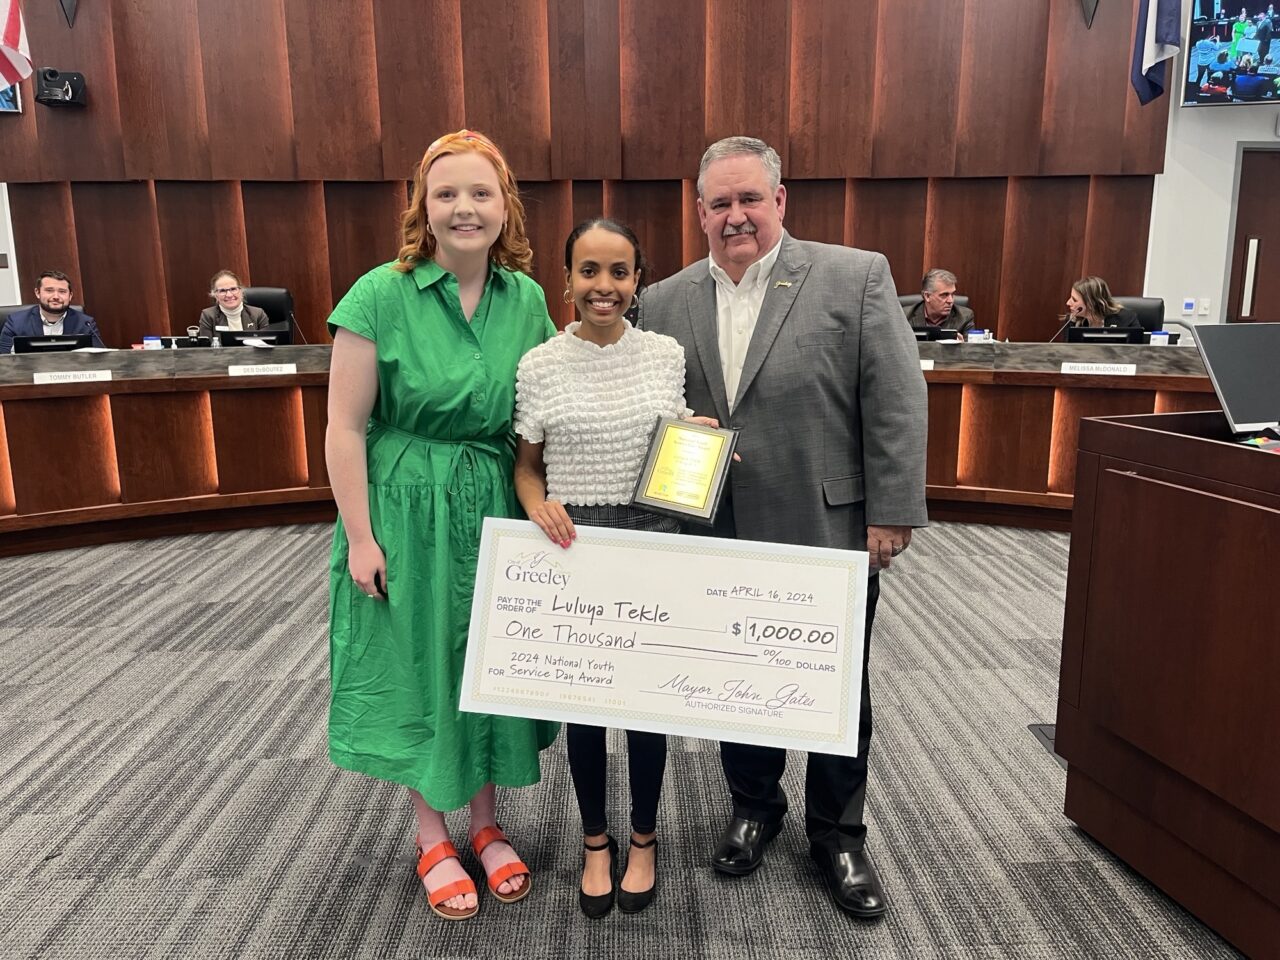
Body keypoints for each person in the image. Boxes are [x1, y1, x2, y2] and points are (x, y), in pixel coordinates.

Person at [641, 136, 927, 919]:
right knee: (739, 678)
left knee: (837, 686)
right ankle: (754, 806)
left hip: (825, 527)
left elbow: (895, 400)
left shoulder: (854, 275)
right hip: (717, 530)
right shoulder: (663, 300)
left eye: (749, 200)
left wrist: (893, 511)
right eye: (720, 204)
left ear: (780, 201)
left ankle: (839, 833)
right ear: (699, 213)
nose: (736, 216)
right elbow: (649, 411)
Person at [325, 129, 558, 922]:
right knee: (423, 662)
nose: (465, 208)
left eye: (481, 193)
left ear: (505, 206)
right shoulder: (378, 295)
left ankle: (487, 826)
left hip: (492, 500)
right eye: (448, 193)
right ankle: (431, 833)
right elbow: (344, 428)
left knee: (491, 662)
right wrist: (360, 536)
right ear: (424, 206)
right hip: (404, 508)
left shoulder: (525, 298)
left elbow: (543, 415)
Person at [514, 217, 705, 918]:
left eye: (618, 272)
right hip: (574, 549)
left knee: (648, 708)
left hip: (651, 543)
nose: (604, 286)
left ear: (637, 280)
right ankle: (596, 842)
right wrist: (536, 506)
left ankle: (644, 839)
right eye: (589, 271)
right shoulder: (538, 364)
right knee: (587, 710)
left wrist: (699, 444)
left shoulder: (664, 355)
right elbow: (528, 469)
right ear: (566, 282)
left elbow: (674, 447)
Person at [1, 270, 104, 353]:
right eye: (49, 290)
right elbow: (3, 360)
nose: (56, 297)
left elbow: (99, 359)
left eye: (62, 292)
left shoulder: (86, 323)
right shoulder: (16, 322)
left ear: (70, 296)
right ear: (38, 293)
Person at [197, 270, 271, 337]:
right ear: (215, 295)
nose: (229, 295)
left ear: (241, 291)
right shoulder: (208, 316)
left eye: (233, 289)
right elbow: (207, 349)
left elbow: (266, 345)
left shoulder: (258, 314)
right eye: (222, 291)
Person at [905, 268, 976, 336]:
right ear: (927, 296)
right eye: (944, 295)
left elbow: (971, 347)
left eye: (952, 294)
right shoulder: (905, 316)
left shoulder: (964, 317)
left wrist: (962, 346)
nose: (951, 300)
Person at [1065, 276, 1141, 329]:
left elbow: (1136, 350)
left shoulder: (1126, 319)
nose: (1068, 303)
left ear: (1091, 303)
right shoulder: (1072, 321)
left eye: (1074, 300)